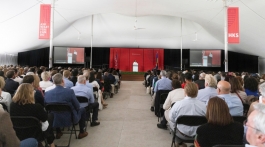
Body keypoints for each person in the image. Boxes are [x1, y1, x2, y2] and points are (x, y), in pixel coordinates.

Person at [44, 73, 88, 139]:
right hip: (69, 118)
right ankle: (81, 132)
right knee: (82, 110)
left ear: (53, 82)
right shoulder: (69, 91)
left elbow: (46, 107)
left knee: (54, 111)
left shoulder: (47, 93)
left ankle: (58, 131)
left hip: (53, 120)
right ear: (63, 81)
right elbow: (77, 106)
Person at [169, 82, 206, 147]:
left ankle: (179, 142)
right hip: (198, 134)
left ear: (185, 92)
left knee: (170, 122)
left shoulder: (178, 104)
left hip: (182, 134)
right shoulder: (204, 106)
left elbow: (171, 118)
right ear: (197, 92)